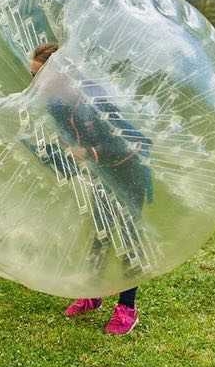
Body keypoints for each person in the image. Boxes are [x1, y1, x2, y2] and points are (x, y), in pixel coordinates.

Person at [29, 43, 152, 336]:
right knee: (101, 234)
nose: (35, 84)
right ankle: (93, 294)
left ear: (58, 74)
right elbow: (70, 151)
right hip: (100, 175)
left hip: (128, 173)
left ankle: (127, 307)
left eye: (38, 76)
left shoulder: (96, 98)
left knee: (126, 238)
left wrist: (91, 152)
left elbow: (139, 141)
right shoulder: (57, 105)